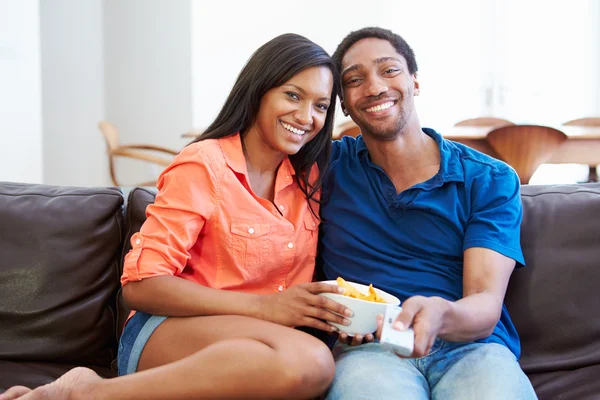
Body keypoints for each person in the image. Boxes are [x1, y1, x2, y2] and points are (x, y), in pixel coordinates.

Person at [0, 33, 353, 400]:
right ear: (258, 90)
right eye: (293, 95)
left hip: (264, 344)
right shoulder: (204, 164)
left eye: (321, 106)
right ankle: (87, 394)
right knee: (311, 362)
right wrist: (265, 308)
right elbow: (142, 284)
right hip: (175, 331)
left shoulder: (311, 178)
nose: (306, 116)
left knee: (308, 361)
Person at [317, 27, 538, 399]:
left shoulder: (488, 178)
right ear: (343, 103)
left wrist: (439, 315)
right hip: (369, 349)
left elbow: (485, 304)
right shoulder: (327, 170)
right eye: (354, 80)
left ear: (414, 82)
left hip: (472, 348)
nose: (373, 88)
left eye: (389, 70)